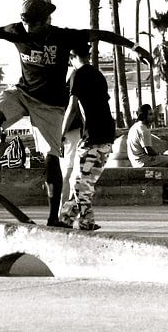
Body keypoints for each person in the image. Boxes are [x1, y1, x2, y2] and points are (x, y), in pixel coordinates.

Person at [0, 0, 151, 227]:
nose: (29, 29)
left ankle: (53, 217)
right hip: (22, 93)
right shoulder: (16, 31)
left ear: (46, 20)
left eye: (34, 24)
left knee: (51, 158)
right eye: (25, 23)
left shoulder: (64, 36)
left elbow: (102, 34)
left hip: (51, 105)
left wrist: (135, 47)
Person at [57, 43, 113, 230]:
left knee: (82, 184)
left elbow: (73, 108)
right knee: (83, 182)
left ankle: (85, 221)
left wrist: (60, 135)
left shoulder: (77, 75)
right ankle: (65, 218)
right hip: (106, 136)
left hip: (93, 138)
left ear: (72, 56)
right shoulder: (98, 75)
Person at [127, 104, 168, 169]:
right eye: (150, 114)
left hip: (135, 161)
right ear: (144, 116)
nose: (153, 116)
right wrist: (160, 154)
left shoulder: (134, 127)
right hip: (143, 162)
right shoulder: (144, 130)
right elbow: (148, 150)